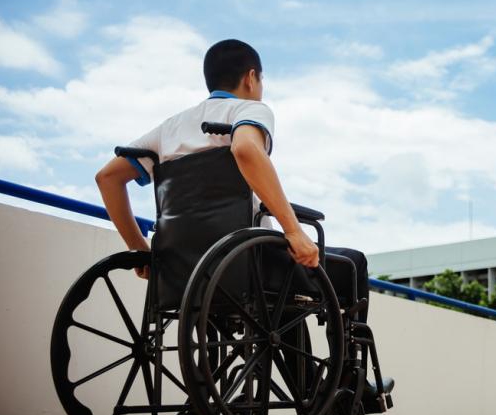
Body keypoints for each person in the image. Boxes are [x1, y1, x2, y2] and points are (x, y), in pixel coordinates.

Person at [94, 39, 369, 320]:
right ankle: (348, 359)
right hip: (247, 261)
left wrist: (140, 248)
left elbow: (107, 178)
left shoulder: (170, 129)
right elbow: (245, 149)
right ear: (251, 78)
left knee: (284, 288)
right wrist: (294, 231)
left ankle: (303, 365)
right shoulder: (248, 110)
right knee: (352, 262)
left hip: (182, 266)